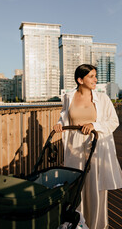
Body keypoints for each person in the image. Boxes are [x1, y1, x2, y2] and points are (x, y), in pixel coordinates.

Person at [53, 64, 122, 229]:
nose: (95, 79)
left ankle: (98, 225)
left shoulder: (102, 98)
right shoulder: (69, 97)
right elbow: (64, 116)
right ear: (80, 80)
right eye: (91, 76)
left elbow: (114, 122)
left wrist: (93, 125)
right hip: (74, 146)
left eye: (95, 76)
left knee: (95, 187)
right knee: (76, 187)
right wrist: (58, 124)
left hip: (95, 145)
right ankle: (79, 225)